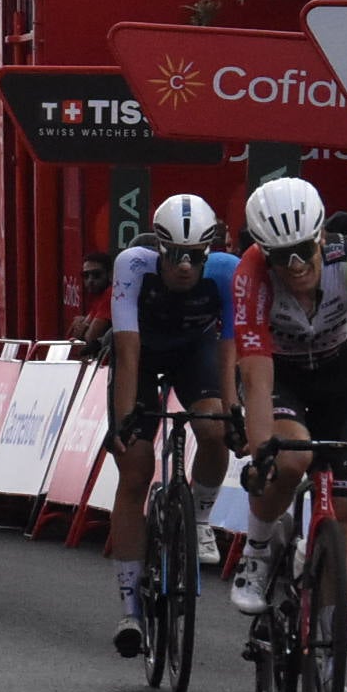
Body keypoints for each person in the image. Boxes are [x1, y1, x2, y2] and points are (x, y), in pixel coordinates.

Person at [227, 179, 347, 649]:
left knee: (345, 518)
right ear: (263, 253)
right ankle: (257, 549)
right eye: (280, 256)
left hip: (339, 376)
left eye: (303, 251)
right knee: (290, 459)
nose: (294, 266)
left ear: (322, 238)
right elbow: (256, 376)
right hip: (281, 376)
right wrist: (261, 454)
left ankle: (335, 661)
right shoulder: (251, 274)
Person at [103, 193, 242, 657]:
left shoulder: (227, 270)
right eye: (176, 255)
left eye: (196, 256)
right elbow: (127, 351)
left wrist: (233, 410)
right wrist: (126, 421)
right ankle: (129, 608)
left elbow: (229, 349)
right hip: (141, 354)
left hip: (194, 352)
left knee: (215, 430)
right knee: (136, 468)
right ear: (158, 248)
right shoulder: (133, 266)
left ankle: (199, 517)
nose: (185, 266)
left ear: (209, 252)